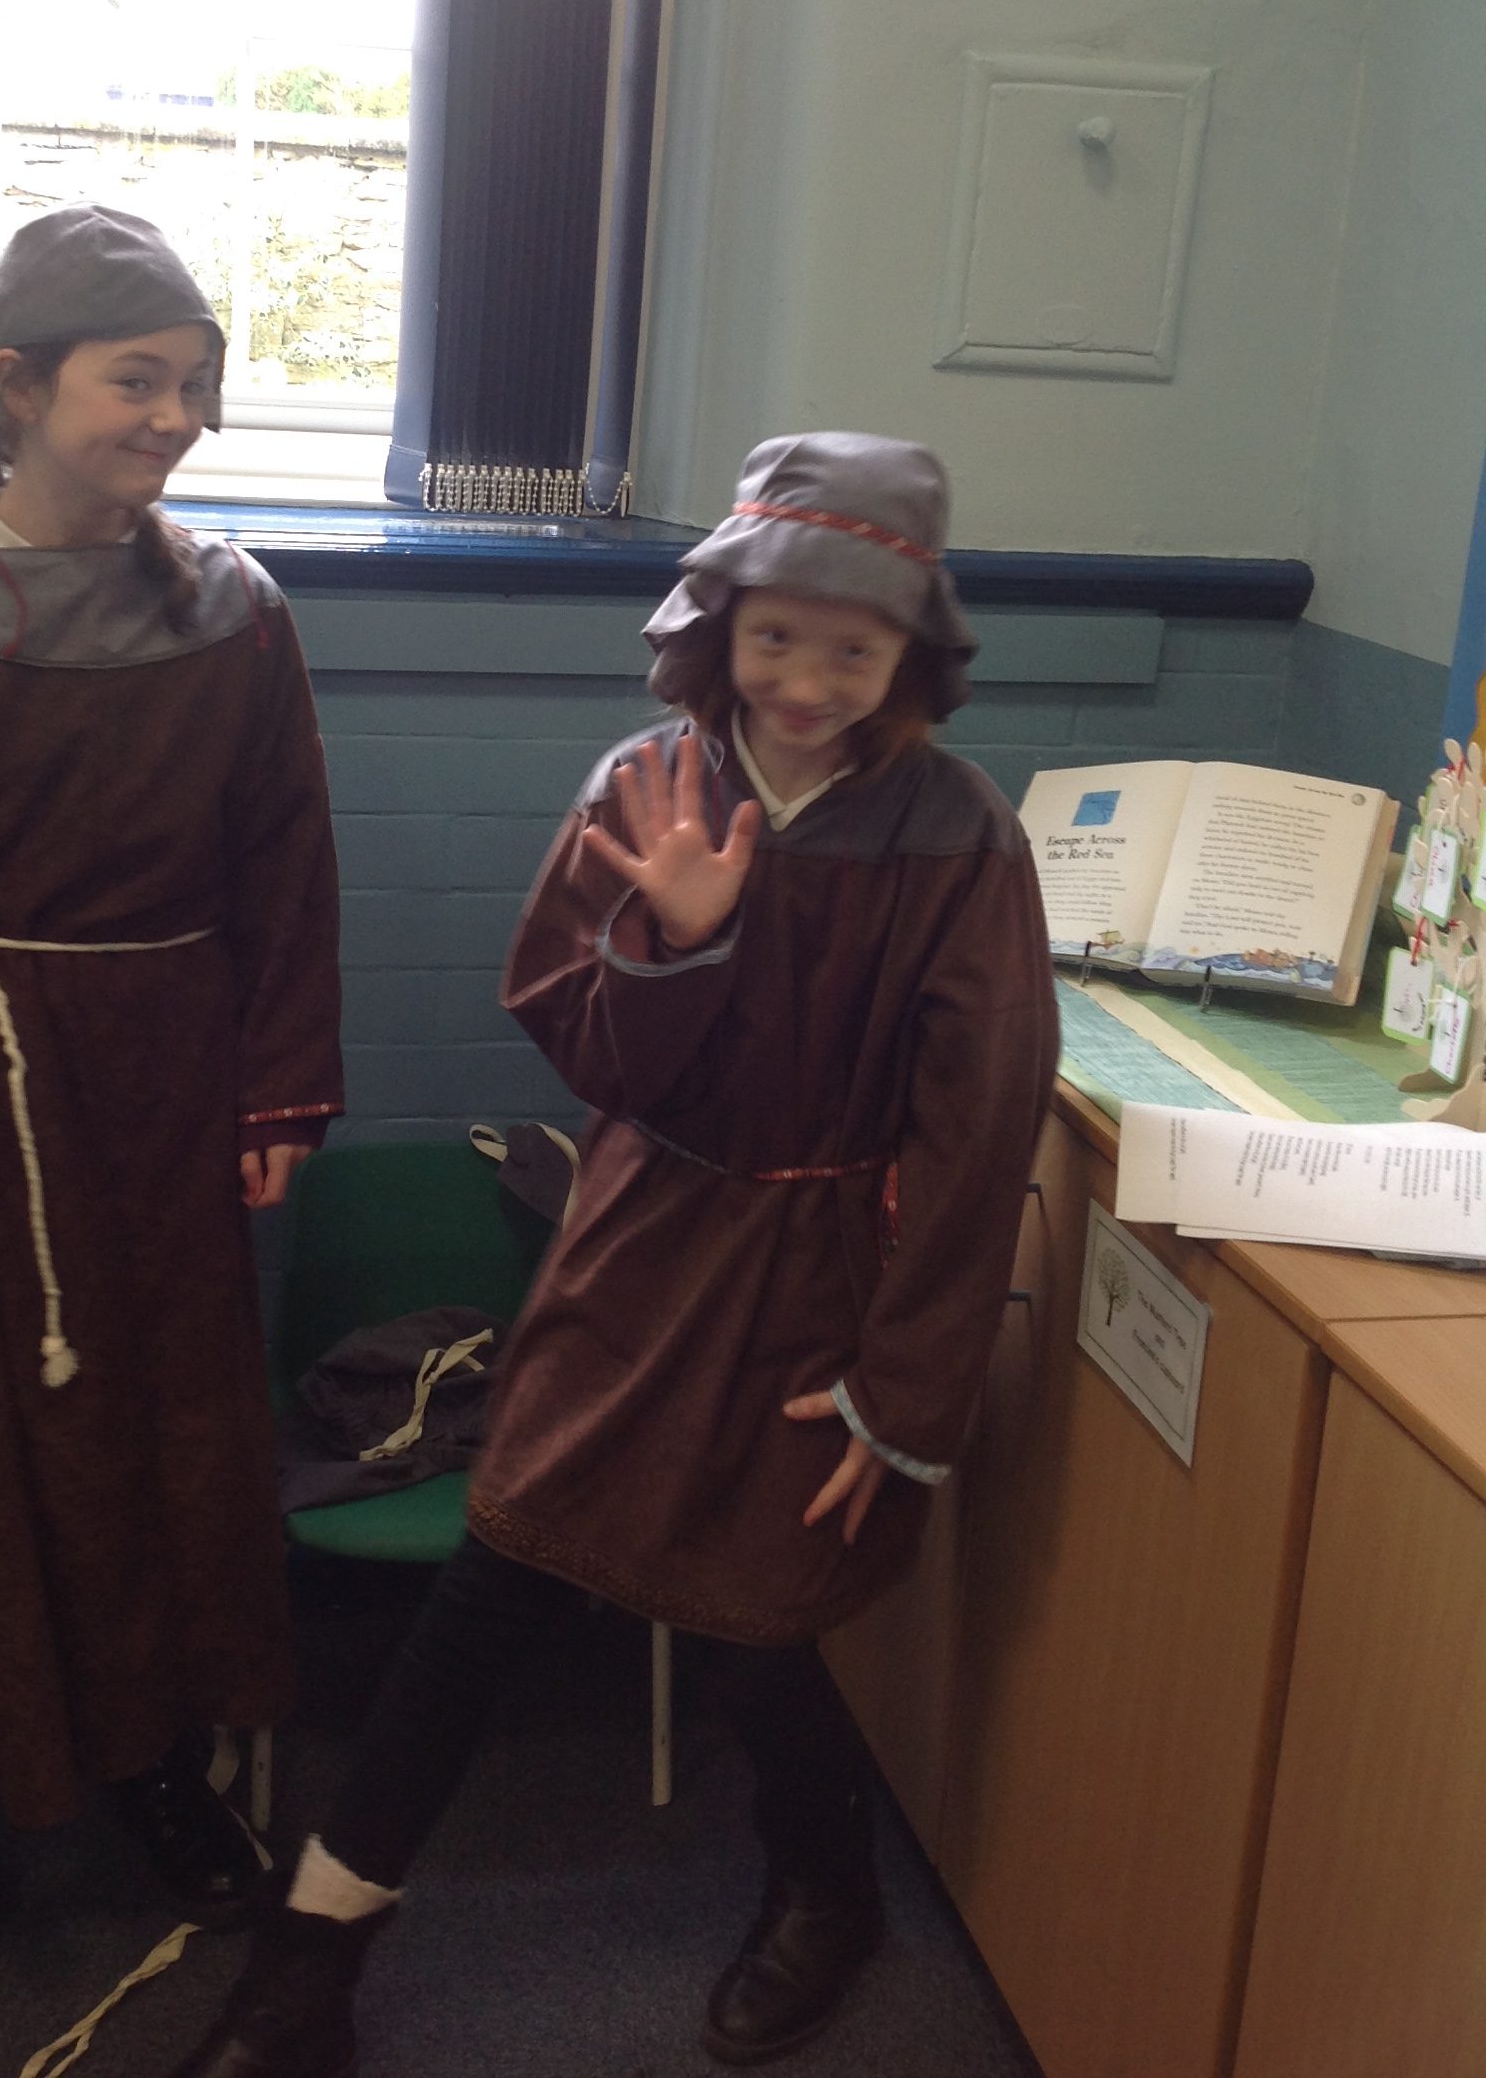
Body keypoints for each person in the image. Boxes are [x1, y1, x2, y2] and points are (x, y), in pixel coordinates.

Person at [165, 431, 1058, 2077]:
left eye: (853, 650)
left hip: (822, 1282)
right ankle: (311, 1953)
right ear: (719, 622)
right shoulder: (644, 787)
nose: (807, 684)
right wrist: (675, 939)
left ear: (911, 656)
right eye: (776, 637)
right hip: (641, 1249)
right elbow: (583, 1043)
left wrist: (905, 1386)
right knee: (496, 1573)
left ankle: (828, 1891)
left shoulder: (959, 834)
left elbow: (980, 1124)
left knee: (756, 1619)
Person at [0, 204, 342, 1993]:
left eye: (197, 387)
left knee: (176, 1429)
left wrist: (276, 1090)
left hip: (172, 1081)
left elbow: (285, 865)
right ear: (19, 386)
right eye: (137, 382)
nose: (176, 419)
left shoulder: (235, 612)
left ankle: (161, 1760)